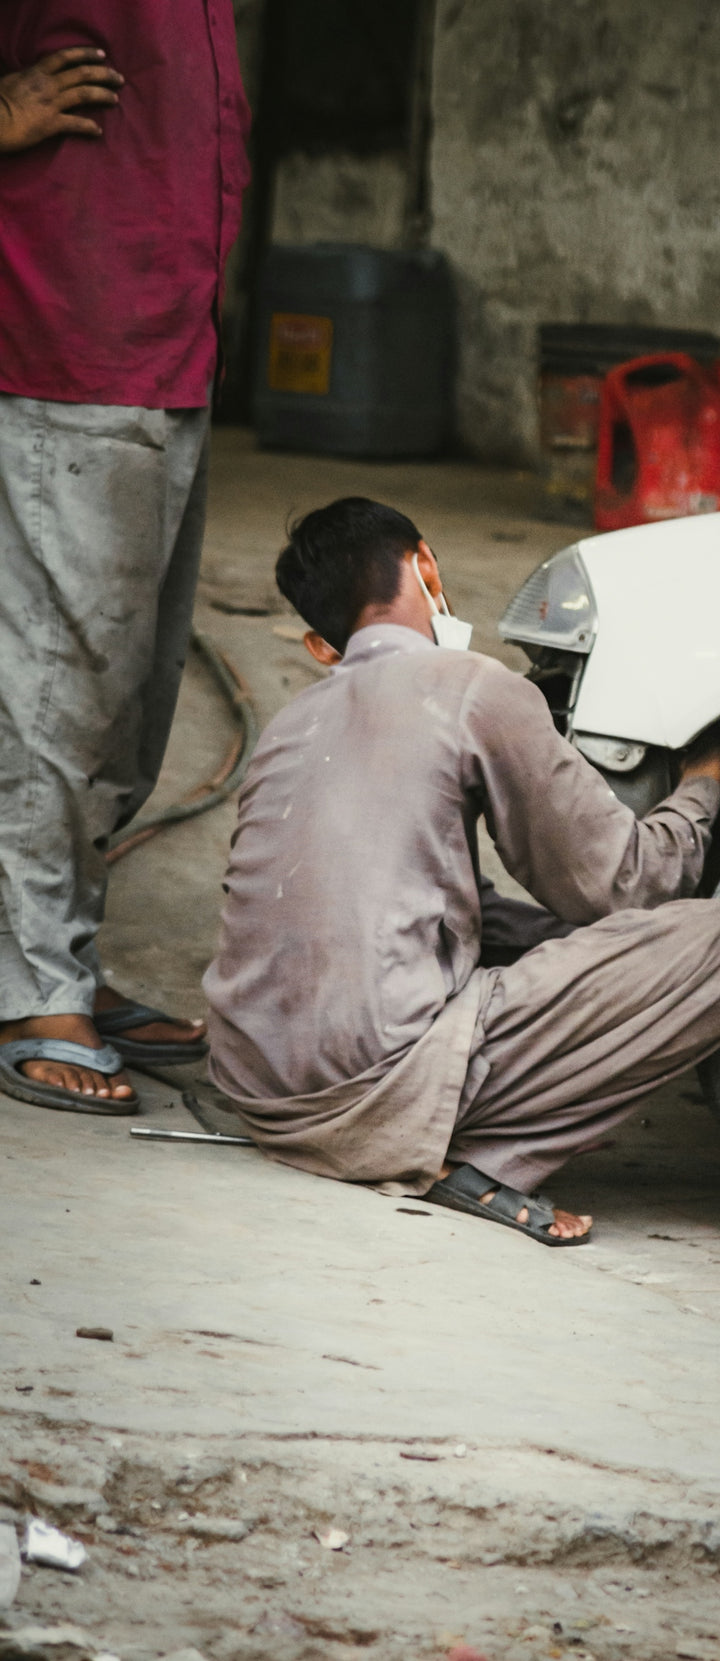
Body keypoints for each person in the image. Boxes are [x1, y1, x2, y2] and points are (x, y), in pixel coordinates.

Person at [202, 497, 720, 1244]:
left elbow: (439, 906)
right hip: (378, 1084)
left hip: (257, 1088)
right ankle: (464, 1154)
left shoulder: (286, 725)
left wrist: (573, 944)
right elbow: (629, 882)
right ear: (428, 564)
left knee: (515, 928)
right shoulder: (474, 686)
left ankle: (416, 1133)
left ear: (320, 644)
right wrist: (702, 782)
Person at [0, 7, 250, 1113]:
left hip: (164, 339)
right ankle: (34, 984)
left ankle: (61, 962)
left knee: (127, 705)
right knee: (58, 690)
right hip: (61, 329)